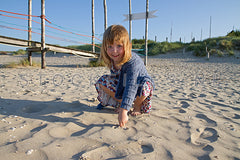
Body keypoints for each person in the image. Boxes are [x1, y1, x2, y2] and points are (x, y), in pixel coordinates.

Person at [95, 25, 154, 127]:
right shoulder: (112, 59)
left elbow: (132, 85)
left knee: (146, 85)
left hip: (138, 88)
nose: (114, 51)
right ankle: (124, 102)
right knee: (102, 81)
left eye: (119, 46)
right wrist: (123, 103)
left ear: (127, 46)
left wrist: (124, 110)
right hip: (123, 87)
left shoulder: (133, 62)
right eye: (110, 46)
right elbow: (117, 80)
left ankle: (136, 105)